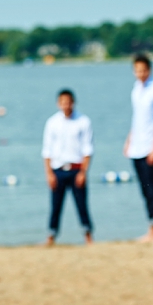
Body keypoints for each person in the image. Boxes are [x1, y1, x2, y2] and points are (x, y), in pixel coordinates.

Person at [41, 89, 94, 245]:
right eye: (62, 102)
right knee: (55, 206)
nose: (66, 105)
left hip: (77, 168)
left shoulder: (83, 121)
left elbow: (88, 149)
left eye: (68, 102)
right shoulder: (52, 122)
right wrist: (49, 173)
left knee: (82, 205)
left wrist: (83, 172)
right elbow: (46, 150)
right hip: (58, 169)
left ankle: (88, 235)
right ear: (58, 104)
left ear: (73, 102)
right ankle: (51, 235)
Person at [124, 53, 153, 243]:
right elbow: (137, 119)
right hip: (137, 146)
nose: (140, 74)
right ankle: (151, 229)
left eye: (143, 70)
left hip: (150, 147)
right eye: (137, 70)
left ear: (149, 70)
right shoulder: (136, 89)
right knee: (144, 190)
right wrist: (129, 140)